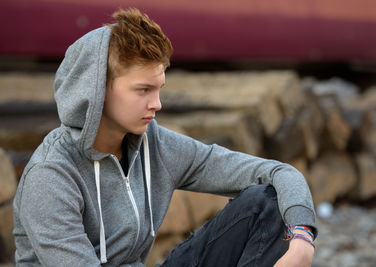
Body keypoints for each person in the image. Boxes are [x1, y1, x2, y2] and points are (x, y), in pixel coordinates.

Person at [13, 8, 317, 267]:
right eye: (143, 90)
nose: (157, 104)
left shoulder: (155, 146)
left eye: (159, 89)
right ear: (99, 90)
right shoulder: (51, 176)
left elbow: (277, 173)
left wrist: (302, 236)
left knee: (264, 202)